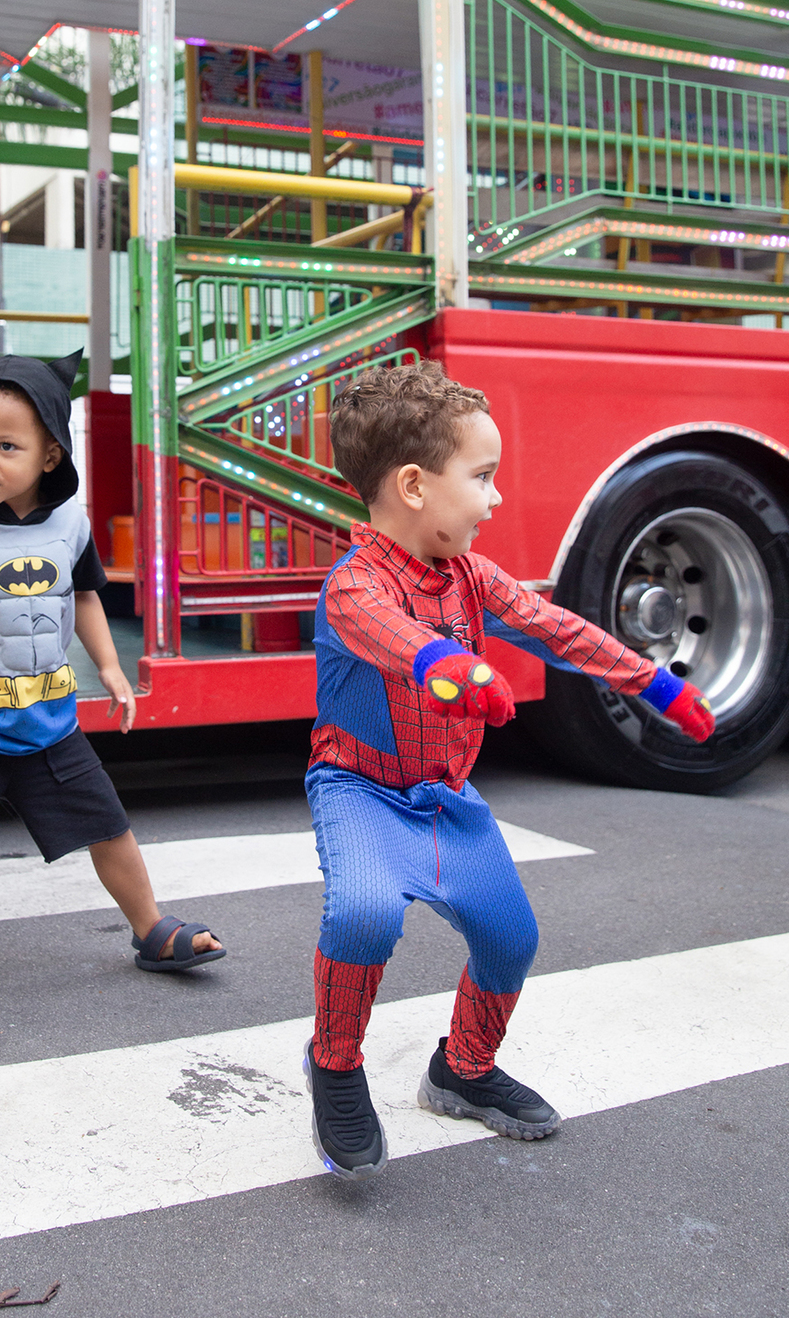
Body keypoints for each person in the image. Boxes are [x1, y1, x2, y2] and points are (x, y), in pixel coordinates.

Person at [303, 360, 713, 1177]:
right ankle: (336, 1063)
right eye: (483, 477)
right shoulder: (353, 587)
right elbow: (402, 644)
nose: (495, 497)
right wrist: (463, 673)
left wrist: (652, 680)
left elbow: (553, 627)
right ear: (414, 486)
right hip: (359, 789)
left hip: (445, 796)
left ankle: (463, 1068)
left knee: (510, 937)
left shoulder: (468, 574)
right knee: (365, 916)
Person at [0, 351, 224, 1052]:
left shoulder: (70, 524)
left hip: (48, 721)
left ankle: (151, 931)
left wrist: (110, 666)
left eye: (5, 447)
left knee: (109, 828)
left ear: (51, 452)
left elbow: (84, 596)